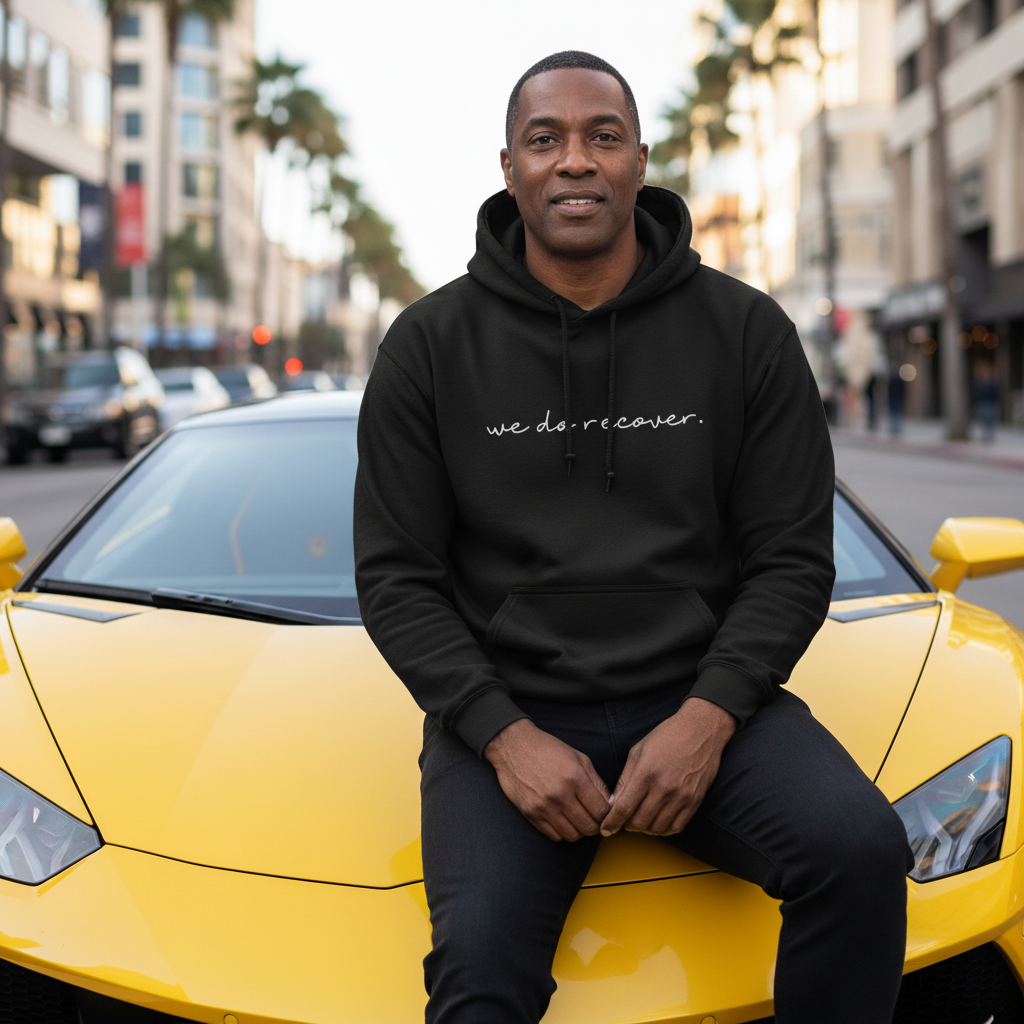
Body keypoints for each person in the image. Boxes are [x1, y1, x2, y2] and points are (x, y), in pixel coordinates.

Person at [354, 51, 912, 1024]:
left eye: (601, 136)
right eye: (546, 139)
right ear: (508, 167)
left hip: (702, 698)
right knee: (478, 968)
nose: (575, 159)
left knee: (861, 853)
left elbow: (790, 557)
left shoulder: (744, 333)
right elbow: (398, 576)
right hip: (511, 715)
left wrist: (708, 720)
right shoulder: (429, 346)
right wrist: (502, 736)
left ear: (639, 161)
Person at [973, 361, 999, 443]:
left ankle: (990, 435)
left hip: (991, 402)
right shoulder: (979, 382)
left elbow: (996, 392)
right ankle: (985, 435)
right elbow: (976, 393)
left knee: (990, 420)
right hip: (982, 403)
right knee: (983, 420)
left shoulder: (992, 382)